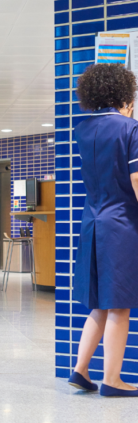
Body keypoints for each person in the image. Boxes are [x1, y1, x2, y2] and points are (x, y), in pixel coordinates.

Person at [68, 64, 138, 397]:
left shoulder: (82, 130)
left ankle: (81, 370)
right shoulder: (131, 129)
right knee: (120, 305)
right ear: (124, 95)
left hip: (92, 222)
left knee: (100, 304)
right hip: (121, 225)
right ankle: (112, 379)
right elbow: (136, 180)